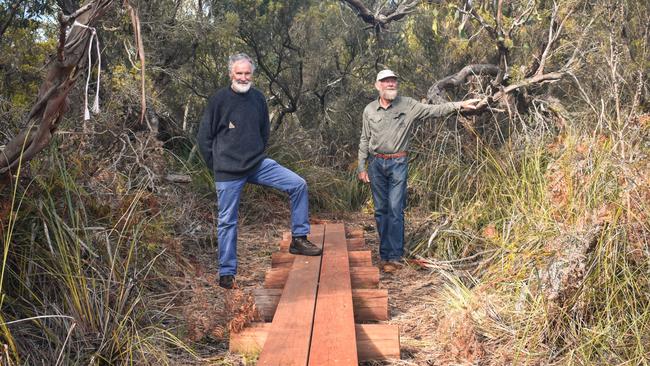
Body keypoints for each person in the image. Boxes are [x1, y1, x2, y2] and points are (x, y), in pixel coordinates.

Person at [197, 53, 322, 289]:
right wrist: (216, 165)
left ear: (252, 75)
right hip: (228, 171)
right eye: (239, 73)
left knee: (298, 184)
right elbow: (204, 137)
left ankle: (299, 239)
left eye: (247, 73)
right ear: (230, 74)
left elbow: (264, 131)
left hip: (257, 164)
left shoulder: (258, 98)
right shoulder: (219, 100)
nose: (243, 77)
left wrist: (255, 153)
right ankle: (226, 273)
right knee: (227, 222)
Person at [357, 69, 479, 273]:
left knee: (396, 209)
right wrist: (361, 166)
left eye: (393, 81)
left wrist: (460, 105)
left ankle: (394, 257)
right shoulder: (369, 110)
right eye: (386, 82)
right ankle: (384, 253)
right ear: (377, 85)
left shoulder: (409, 105)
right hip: (376, 165)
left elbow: (435, 110)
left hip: (398, 164)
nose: (391, 85)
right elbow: (364, 139)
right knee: (381, 211)